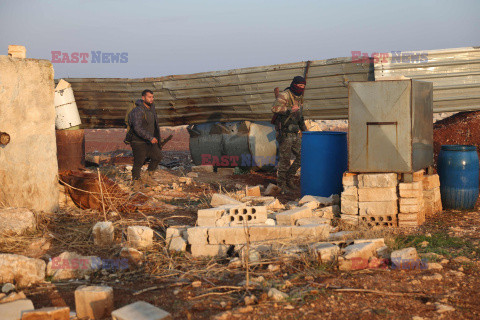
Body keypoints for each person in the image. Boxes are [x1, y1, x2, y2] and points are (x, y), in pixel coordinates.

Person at [271, 76, 308, 192]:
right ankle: (281, 185)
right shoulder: (285, 95)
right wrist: (288, 110)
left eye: (303, 86)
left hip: (295, 132)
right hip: (284, 133)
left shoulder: (300, 98)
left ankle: (289, 178)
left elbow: (300, 116)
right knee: (285, 161)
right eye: (300, 86)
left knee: (303, 156)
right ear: (294, 84)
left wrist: (305, 131)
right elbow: (274, 108)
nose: (301, 88)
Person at [127, 89, 162, 189]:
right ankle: (136, 182)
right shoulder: (137, 111)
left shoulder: (151, 109)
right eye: (149, 97)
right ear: (143, 98)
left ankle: (148, 178)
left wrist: (156, 137)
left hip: (150, 140)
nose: (152, 99)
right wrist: (150, 137)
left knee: (158, 156)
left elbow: (154, 125)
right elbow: (137, 128)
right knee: (139, 161)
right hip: (138, 141)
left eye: (152, 97)